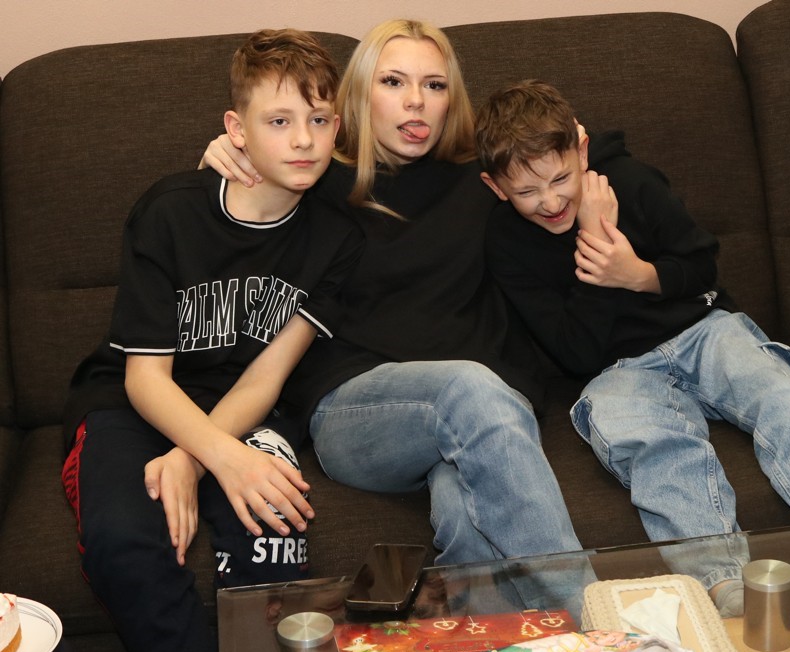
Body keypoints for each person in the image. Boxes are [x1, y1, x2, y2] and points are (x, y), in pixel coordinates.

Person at [473, 79, 790, 648]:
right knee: (653, 444)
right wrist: (597, 240)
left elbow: (700, 266)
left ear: (581, 151)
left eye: (561, 179)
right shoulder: (505, 242)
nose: (550, 201)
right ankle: (722, 585)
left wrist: (640, 276)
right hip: (615, 369)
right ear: (495, 187)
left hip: (704, 330)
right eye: (527, 191)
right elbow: (574, 351)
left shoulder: (632, 181)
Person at [201, 20, 582, 568]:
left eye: (434, 85)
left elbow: (570, 170)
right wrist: (227, 157)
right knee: (469, 390)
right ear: (359, 93)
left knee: (468, 516)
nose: (416, 101)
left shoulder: (486, 178)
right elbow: (221, 236)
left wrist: (587, 160)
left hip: (488, 412)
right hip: (357, 411)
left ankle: (484, 623)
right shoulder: (313, 178)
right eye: (394, 82)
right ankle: (590, 608)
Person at [61, 29, 364, 652]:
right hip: (134, 403)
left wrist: (195, 461)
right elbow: (145, 379)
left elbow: (265, 377)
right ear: (236, 129)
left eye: (318, 120)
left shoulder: (338, 235)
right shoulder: (170, 211)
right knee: (123, 541)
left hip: (246, 407)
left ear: (337, 127)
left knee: (273, 528)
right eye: (278, 121)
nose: (303, 140)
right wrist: (218, 456)